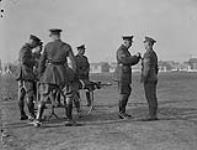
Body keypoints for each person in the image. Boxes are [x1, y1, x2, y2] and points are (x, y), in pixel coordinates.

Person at [33, 29, 77, 127]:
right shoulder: (66, 46)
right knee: (68, 96)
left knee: (44, 97)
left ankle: (37, 120)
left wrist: (40, 75)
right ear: (59, 36)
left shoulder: (48, 46)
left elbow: (41, 61)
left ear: (53, 36)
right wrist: (73, 74)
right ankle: (69, 119)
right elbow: (73, 62)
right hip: (62, 73)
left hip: (49, 73)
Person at [114, 36, 141, 119]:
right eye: (130, 42)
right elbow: (125, 60)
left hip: (125, 75)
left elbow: (130, 62)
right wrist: (135, 57)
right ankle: (121, 112)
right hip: (122, 76)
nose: (131, 44)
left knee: (126, 92)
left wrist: (137, 58)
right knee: (124, 93)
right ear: (125, 42)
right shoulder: (121, 50)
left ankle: (122, 112)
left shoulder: (125, 51)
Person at [16, 34, 41, 120]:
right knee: (29, 95)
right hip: (26, 75)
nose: (35, 46)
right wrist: (34, 62)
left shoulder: (24, 48)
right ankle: (31, 115)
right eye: (35, 44)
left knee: (21, 95)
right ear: (32, 41)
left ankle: (22, 114)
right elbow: (24, 60)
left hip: (21, 75)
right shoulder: (26, 49)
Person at [141, 36, 159, 121]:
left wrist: (144, 78)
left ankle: (152, 115)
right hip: (153, 77)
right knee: (153, 96)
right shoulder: (153, 53)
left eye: (145, 43)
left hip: (149, 78)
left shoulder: (147, 54)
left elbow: (147, 68)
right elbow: (156, 68)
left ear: (148, 44)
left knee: (150, 97)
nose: (144, 44)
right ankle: (153, 114)